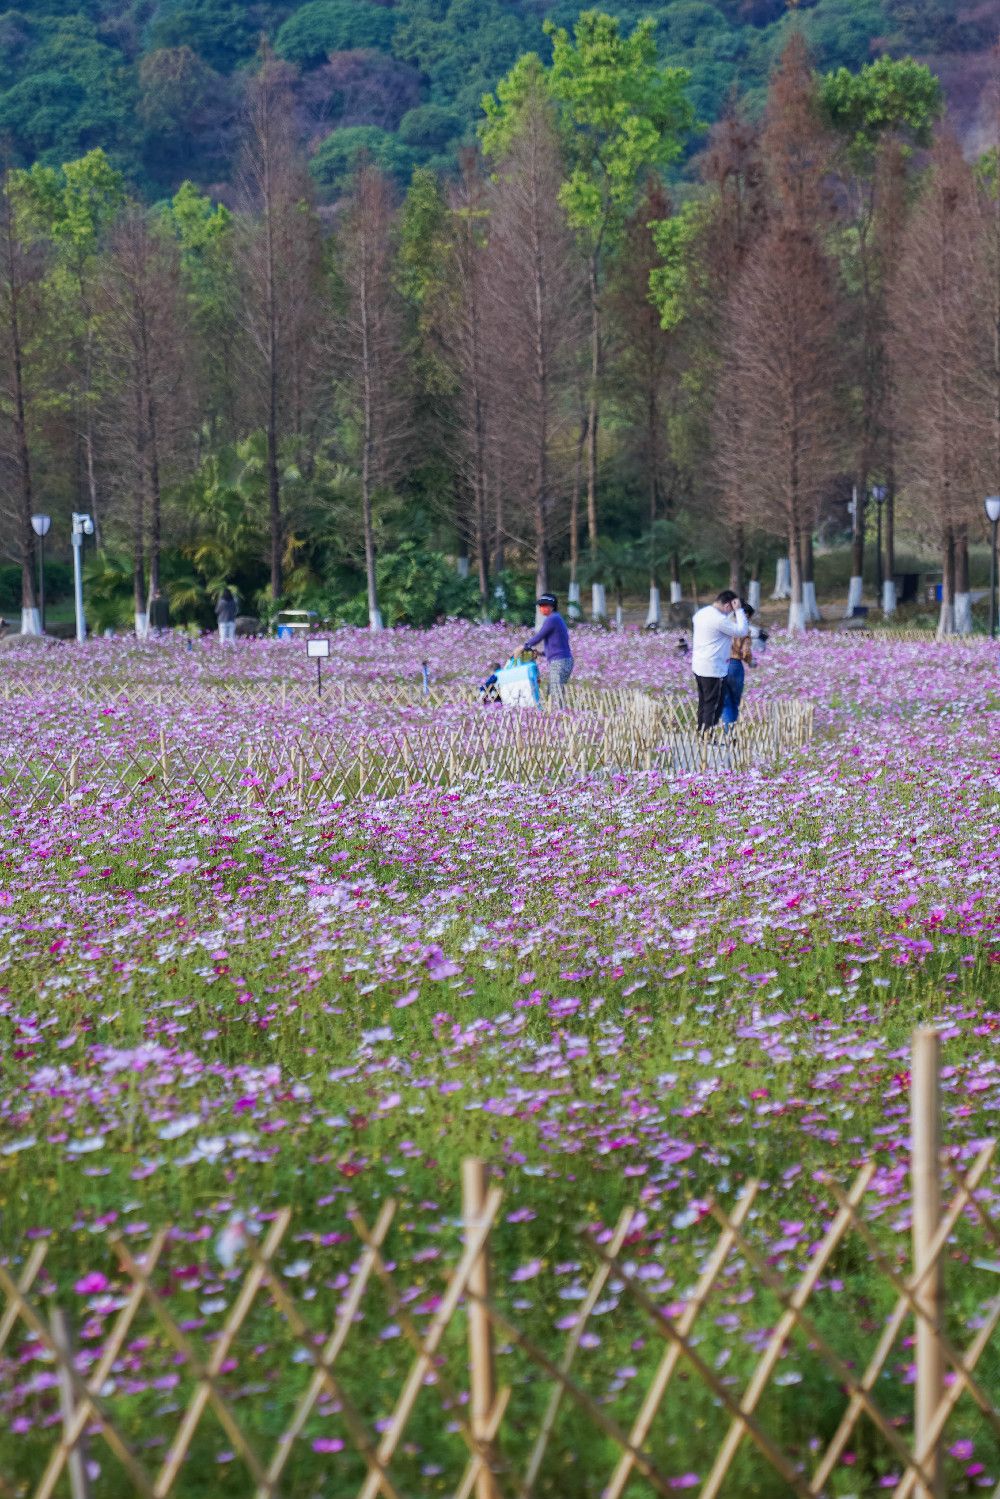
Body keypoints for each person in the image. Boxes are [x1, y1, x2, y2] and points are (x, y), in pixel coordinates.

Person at [690, 589, 748, 731]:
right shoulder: (718, 619)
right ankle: (707, 734)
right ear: (729, 605)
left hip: (699, 664)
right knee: (714, 703)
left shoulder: (701, 614)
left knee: (704, 701)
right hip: (712, 667)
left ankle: (701, 731)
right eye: (731, 609)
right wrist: (739, 611)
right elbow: (742, 631)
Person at [522, 593, 573, 701]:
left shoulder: (552, 619)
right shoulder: (557, 618)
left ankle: (560, 714)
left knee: (555, 692)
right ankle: (557, 712)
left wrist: (525, 646)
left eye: (545, 605)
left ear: (552, 606)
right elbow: (557, 644)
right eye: (540, 606)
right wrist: (541, 653)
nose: (542, 608)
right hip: (563, 660)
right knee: (553, 690)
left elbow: (540, 636)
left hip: (559, 662)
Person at [721, 603, 756, 727]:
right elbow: (745, 652)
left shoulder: (723, 626)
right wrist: (751, 661)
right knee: (734, 701)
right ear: (746, 616)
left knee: (725, 701)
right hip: (735, 665)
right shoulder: (744, 630)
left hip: (720, 665)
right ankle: (730, 733)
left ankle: (726, 730)